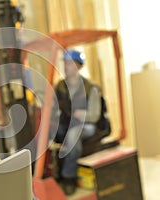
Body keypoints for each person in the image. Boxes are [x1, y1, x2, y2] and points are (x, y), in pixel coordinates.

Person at [53, 49, 102, 195]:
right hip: (65, 124)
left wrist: (81, 115)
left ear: (79, 66)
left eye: (71, 64)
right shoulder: (60, 86)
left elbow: (94, 116)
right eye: (66, 64)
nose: (67, 67)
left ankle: (68, 177)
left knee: (74, 134)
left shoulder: (90, 88)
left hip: (85, 126)